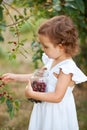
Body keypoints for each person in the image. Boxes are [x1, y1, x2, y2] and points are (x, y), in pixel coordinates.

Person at [2, 15, 87, 130]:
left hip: (56, 114)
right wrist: (16, 77)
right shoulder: (52, 60)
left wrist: (32, 94)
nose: (43, 49)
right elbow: (37, 76)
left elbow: (57, 97)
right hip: (45, 108)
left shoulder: (66, 69)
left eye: (46, 46)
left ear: (61, 47)